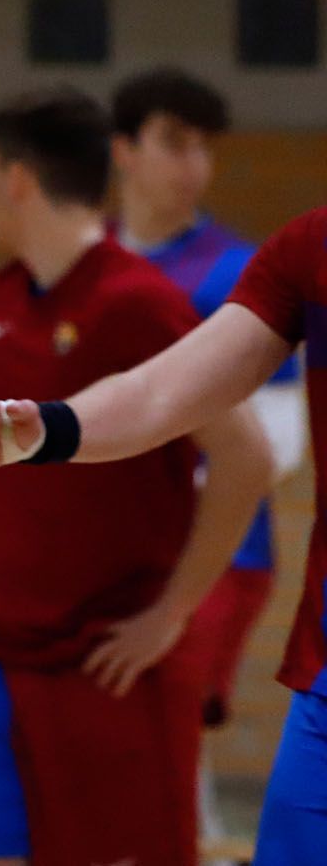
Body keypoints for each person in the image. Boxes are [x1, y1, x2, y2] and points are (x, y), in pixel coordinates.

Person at [0, 87, 272, 866]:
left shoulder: (139, 302)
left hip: (108, 658)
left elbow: (248, 457)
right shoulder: (0, 295)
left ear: (15, 179)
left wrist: (173, 612)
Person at [110, 68, 306, 744]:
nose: (193, 164)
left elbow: (280, 438)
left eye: (203, 146)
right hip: (100, 552)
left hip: (218, 553)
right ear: (123, 149)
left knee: (161, 734)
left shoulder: (240, 271)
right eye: (173, 142)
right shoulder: (83, 263)